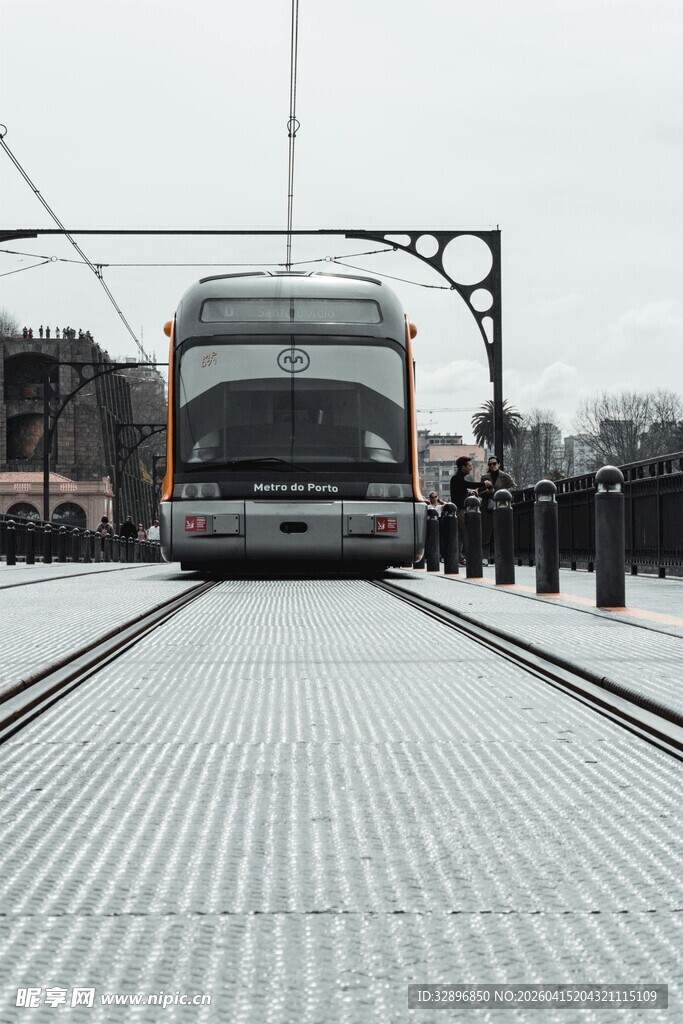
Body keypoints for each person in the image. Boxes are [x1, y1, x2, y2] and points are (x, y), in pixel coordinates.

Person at [479, 456, 517, 564]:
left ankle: (501, 556)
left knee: (501, 532)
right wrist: (487, 492)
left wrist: (499, 492)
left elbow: (514, 488)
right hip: (487, 508)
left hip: (502, 507)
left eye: (494, 463)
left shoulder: (505, 476)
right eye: (490, 464)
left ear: (498, 464)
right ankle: (485, 558)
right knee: (486, 534)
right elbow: (480, 492)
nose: (492, 466)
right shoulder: (484, 477)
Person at [449, 456, 480, 564]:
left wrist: (469, 493)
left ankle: (459, 557)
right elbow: (469, 485)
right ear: (463, 467)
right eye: (469, 466)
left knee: (460, 535)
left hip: (458, 511)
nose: (471, 468)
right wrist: (483, 484)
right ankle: (473, 557)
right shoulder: (457, 479)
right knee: (469, 532)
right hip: (461, 511)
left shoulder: (457, 479)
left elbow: (461, 492)